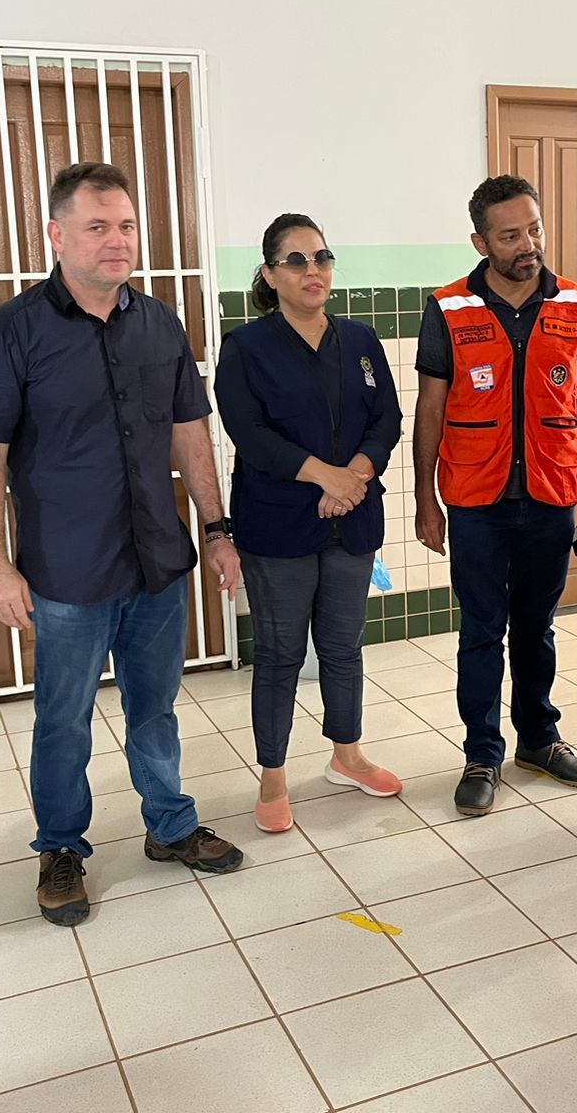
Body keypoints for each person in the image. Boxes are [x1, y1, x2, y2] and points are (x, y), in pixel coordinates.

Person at [0, 161, 245, 929]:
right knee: (64, 716)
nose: (117, 241)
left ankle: (170, 824)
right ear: (57, 235)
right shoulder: (13, 331)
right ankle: (60, 847)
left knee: (156, 709)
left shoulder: (160, 323)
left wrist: (217, 532)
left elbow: (190, 432)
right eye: (97, 226)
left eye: (125, 225)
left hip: (155, 558)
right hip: (66, 568)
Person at [413, 175, 577, 815]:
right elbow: (429, 406)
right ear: (481, 241)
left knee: (536, 627)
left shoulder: (575, 305)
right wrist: (424, 497)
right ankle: (481, 751)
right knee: (481, 630)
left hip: (553, 492)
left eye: (534, 228)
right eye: (510, 235)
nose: (528, 244)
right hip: (476, 497)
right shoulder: (449, 307)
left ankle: (539, 738)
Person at [215, 214, 403, 832]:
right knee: (279, 653)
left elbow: (387, 420)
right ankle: (272, 777)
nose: (312, 270)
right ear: (270, 274)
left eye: (320, 257)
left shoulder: (361, 341)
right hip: (279, 526)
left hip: (351, 518)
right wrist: (324, 476)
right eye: (295, 260)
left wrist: (354, 476)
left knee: (344, 648)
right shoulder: (247, 348)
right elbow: (251, 435)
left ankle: (347, 755)